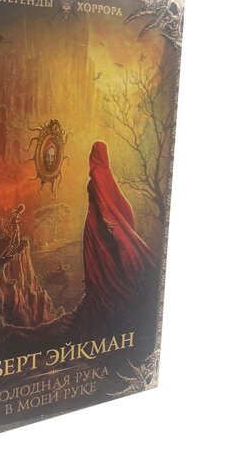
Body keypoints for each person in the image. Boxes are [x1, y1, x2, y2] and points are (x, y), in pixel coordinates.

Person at [82, 141, 156, 332]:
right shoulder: (105, 172)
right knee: (103, 259)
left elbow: (102, 200)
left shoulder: (98, 173)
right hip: (97, 221)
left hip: (96, 223)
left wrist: (106, 219)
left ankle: (101, 298)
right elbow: (111, 197)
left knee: (98, 261)